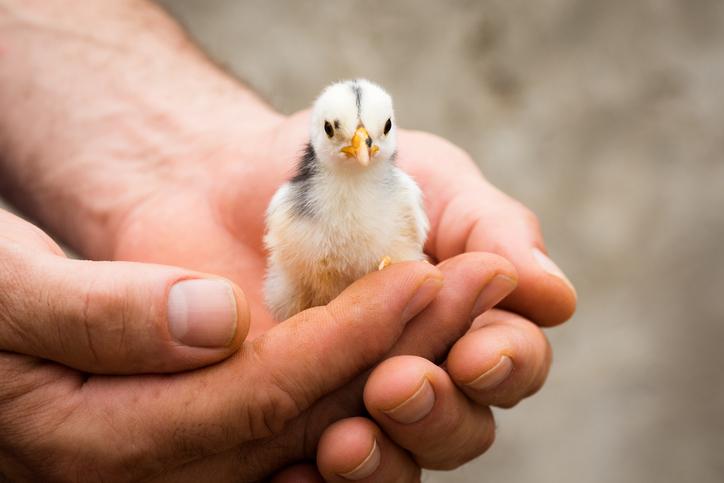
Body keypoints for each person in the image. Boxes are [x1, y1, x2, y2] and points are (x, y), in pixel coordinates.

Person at [0, 1, 576, 481]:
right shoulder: (287, 206)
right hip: (310, 317)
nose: (362, 149)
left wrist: (172, 157)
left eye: (377, 136)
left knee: (390, 386)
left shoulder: (402, 197)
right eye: (343, 135)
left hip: (390, 321)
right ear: (320, 133)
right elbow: (287, 289)